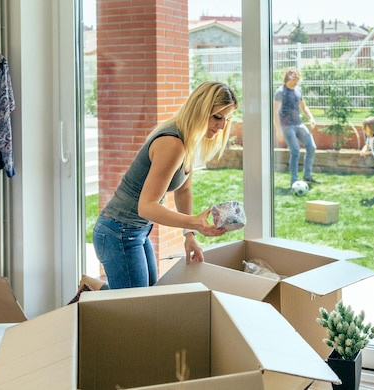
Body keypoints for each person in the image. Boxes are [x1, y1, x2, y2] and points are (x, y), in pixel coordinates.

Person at [93, 81, 238, 289]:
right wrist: (193, 222)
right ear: (200, 109)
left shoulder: (189, 140)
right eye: (217, 117)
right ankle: (89, 294)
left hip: (137, 230)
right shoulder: (173, 143)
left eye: (227, 119)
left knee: (146, 298)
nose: (222, 126)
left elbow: (184, 190)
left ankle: (92, 292)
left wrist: (189, 235)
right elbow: (147, 206)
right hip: (119, 231)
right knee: (135, 308)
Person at [273, 67, 322, 186]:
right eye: (295, 78)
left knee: (311, 147)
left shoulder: (298, 90)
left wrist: (311, 118)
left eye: (298, 79)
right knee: (295, 151)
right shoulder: (280, 92)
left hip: (298, 123)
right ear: (288, 78)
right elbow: (274, 111)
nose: (297, 81)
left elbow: (303, 106)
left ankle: (307, 176)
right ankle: (294, 181)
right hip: (287, 126)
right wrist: (278, 130)